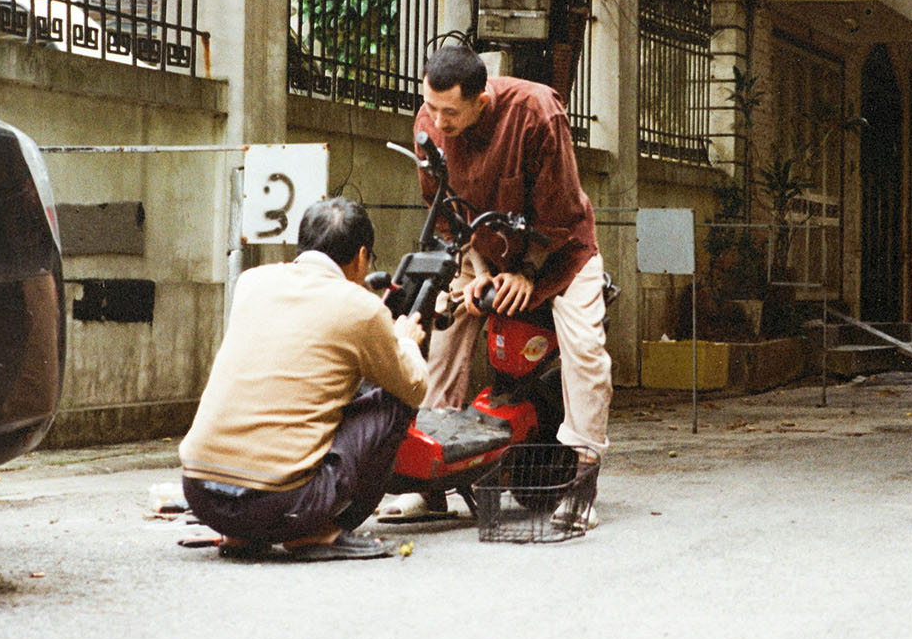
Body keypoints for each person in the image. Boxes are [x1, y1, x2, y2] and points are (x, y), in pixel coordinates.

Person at [381, 43, 611, 530]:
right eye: (431, 107)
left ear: (481, 101)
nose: (437, 122)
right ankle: (433, 477)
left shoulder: (537, 114)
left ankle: (582, 480)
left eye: (450, 112)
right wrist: (479, 271)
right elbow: (444, 216)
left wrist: (527, 270)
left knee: (586, 349)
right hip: (482, 251)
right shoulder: (430, 124)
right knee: (440, 333)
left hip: (560, 254)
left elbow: (562, 214)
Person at [179, 197, 428, 560]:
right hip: (283, 504)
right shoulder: (362, 307)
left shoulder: (251, 282)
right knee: (395, 402)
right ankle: (317, 532)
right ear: (361, 257)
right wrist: (405, 342)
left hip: (202, 495)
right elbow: (414, 387)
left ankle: (241, 536)